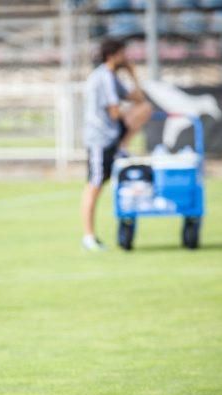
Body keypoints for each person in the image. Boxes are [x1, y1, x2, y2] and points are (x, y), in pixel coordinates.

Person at [81, 38, 153, 251]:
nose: (126, 58)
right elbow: (113, 112)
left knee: (145, 109)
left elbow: (139, 99)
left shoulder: (112, 77)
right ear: (112, 55)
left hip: (112, 135)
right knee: (94, 185)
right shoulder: (103, 77)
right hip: (99, 139)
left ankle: (122, 147)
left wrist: (132, 74)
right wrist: (126, 115)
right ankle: (88, 236)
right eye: (123, 54)